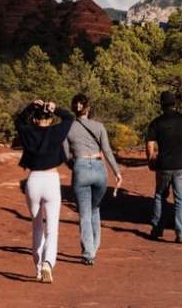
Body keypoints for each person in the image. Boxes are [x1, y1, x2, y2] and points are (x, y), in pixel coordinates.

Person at [15, 99, 74, 284]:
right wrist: (55, 108)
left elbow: (18, 121)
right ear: (50, 120)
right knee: (52, 229)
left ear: (34, 120)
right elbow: (69, 118)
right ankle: (48, 263)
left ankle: (39, 268)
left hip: (33, 181)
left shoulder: (28, 132)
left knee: (37, 226)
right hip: (51, 180)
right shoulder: (56, 131)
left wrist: (32, 106)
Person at [64, 93, 122, 266]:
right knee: (95, 208)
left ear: (73, 108)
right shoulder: (99, 126)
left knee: (85, 213)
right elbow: (108, 151)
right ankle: (94, 248)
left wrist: (75, 166)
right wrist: (117, 172)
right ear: (88, 109)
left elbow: (66, 154)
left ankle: (89, 252)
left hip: (80, 167)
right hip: (99, 168)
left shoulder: (67, 128)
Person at [146, 91, 182, 244]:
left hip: (164, 165)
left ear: (161, 104)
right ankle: (181, 233)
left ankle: (157, 230)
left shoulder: (157, 122)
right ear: (175, 104)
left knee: (160, 197)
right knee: (181, 199)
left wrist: (150, 160)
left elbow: (150, 144)